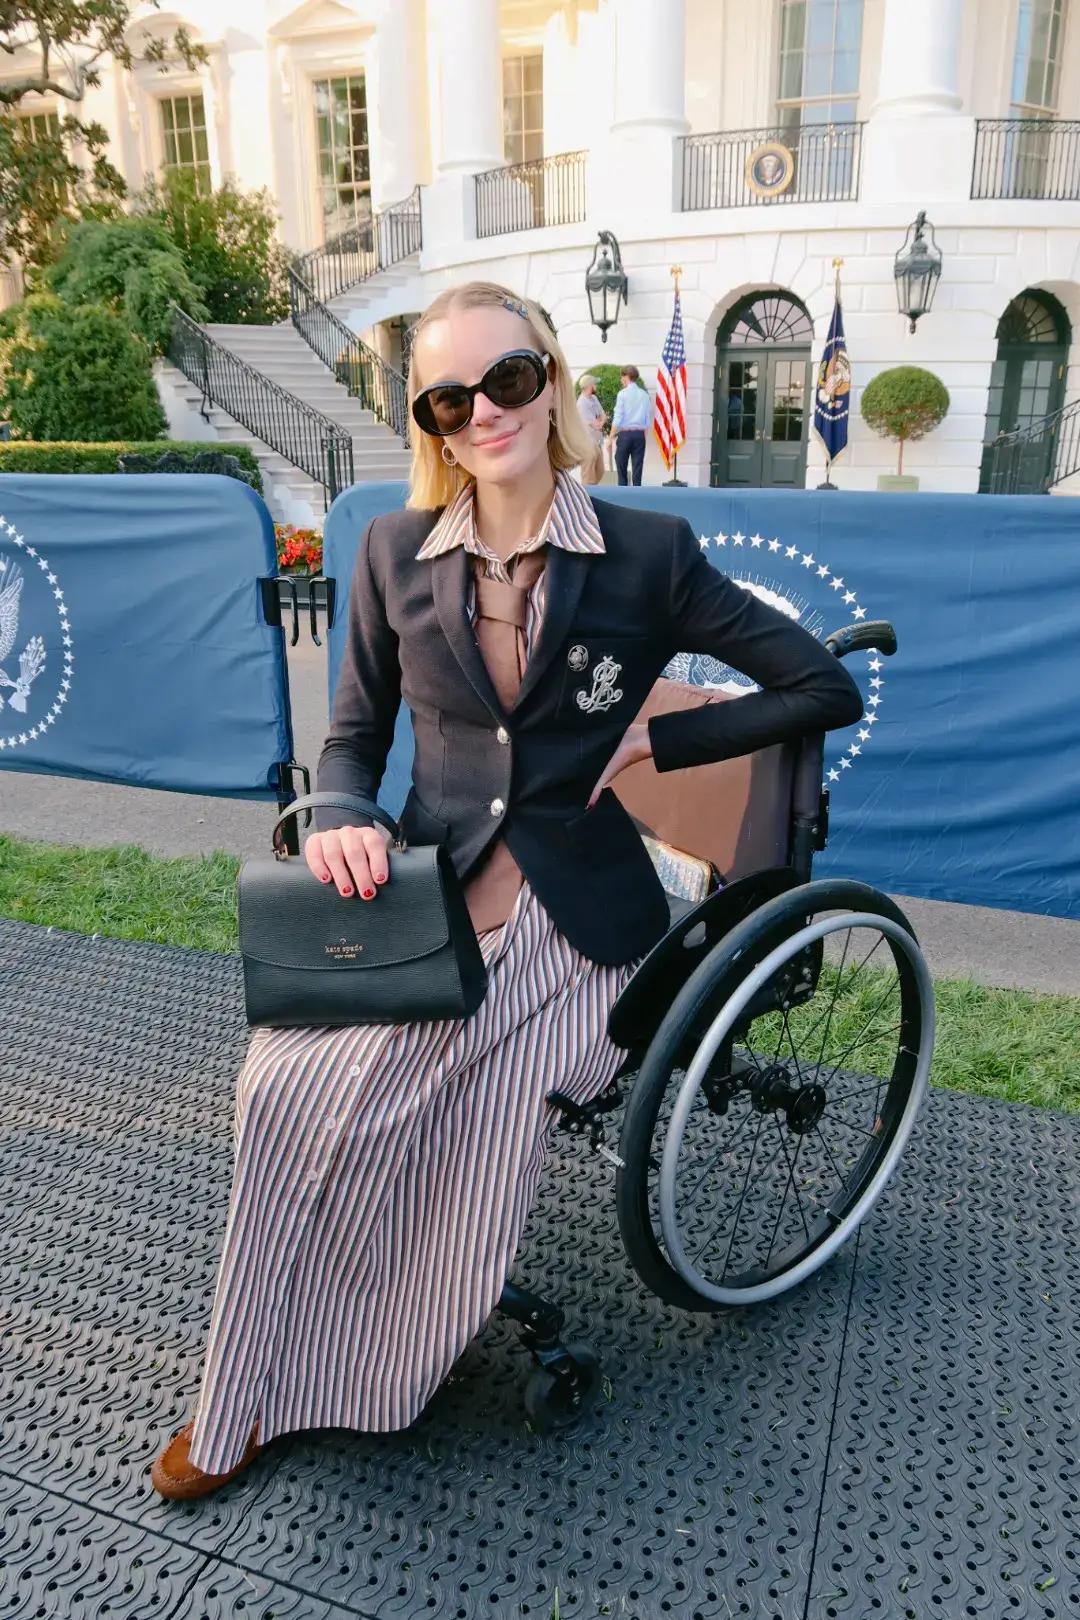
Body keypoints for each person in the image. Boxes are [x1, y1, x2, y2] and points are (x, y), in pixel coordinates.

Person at [150, 279, 862, 1499]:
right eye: (449, 398)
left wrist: (656, 743)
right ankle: (251, 1381)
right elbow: (353, 739)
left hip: (578, 923)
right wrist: (342, 819)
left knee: (436, 1109)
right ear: (429, 422)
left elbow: (820, 687)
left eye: (509, 379)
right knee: (283, 1090)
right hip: (431, 896)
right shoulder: (391, 552)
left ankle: (350, 1376)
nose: (484, 411)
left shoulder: (647, 554)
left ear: (552, 383)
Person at [609, 364, 652, 486]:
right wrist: (643, 435)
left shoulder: (622, 394)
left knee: (621, 466)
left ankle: (623, 493)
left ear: (627, 377)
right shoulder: (644, 395)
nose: (621, 380)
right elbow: (646, 418)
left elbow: (618, 417)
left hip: (625, 434)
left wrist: (610, 438)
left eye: (622, 377)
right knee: (638, 468)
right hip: (639, 435)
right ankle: (637, 494)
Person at [576, 373, 607, 484]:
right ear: (590, 386)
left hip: (597, 441)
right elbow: (596, 424)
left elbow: (603, 416)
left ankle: (592, 490)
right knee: (588, 475)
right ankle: (587, 493)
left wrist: (600, 421)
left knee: (600, 471)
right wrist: (598, 421)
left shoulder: (594, 398)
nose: (596, 385)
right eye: (594, 384)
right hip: (587, 443)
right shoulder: (582, 403)